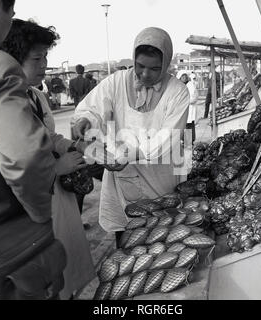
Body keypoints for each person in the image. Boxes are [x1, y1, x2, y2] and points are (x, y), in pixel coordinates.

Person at [1, 18, 96, 300]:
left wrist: (73, 145)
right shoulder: (1, 105)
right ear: (12, 61)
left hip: (58, 197)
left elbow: (48, 136)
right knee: (43, 275)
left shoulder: (37, 96)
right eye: (37, 58)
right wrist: (56, 168)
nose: (44, 64)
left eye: (45, 56)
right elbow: (8, 167)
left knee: (66, 263)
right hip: (30, 203)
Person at [72, 27, 190, 241]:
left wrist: (130, 152)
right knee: (126, 237)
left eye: (155, 68)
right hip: (121, 176)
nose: (145, 74)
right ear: (133, 58)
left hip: (160, 176)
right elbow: (91, 108)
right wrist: (86, 120)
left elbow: (167, 138)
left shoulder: (177, 91)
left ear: (166, 64)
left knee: (162, 235)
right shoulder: (116, 82)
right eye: (140, 66)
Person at [0, 0, 56, 231]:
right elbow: (25, 156)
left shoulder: (35, 95)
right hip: (0, 229)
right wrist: (41, 214)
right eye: (10, 12)